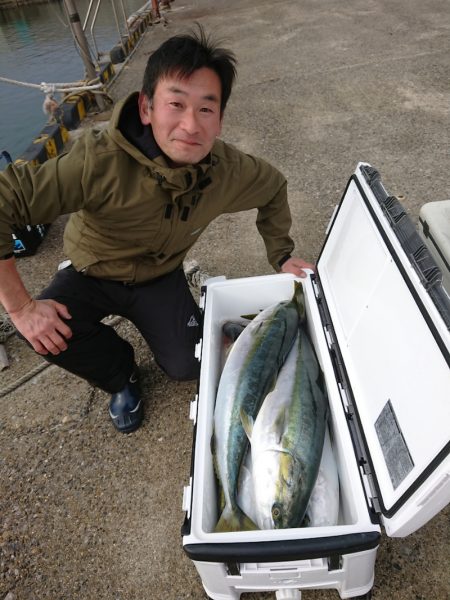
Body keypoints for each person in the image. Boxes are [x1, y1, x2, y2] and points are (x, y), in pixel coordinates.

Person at [0, 26, 314, 434]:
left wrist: (282, 254)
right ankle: (119, 374)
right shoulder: (97, 161)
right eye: (176, 104)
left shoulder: (228, 172)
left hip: (159, 277)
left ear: (219, 120)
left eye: (206, 109)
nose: (190, 124)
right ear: (146, 108)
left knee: (192, 365)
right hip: (89, 272)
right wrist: (21, 308)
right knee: (43, 333)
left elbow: (273, 188)